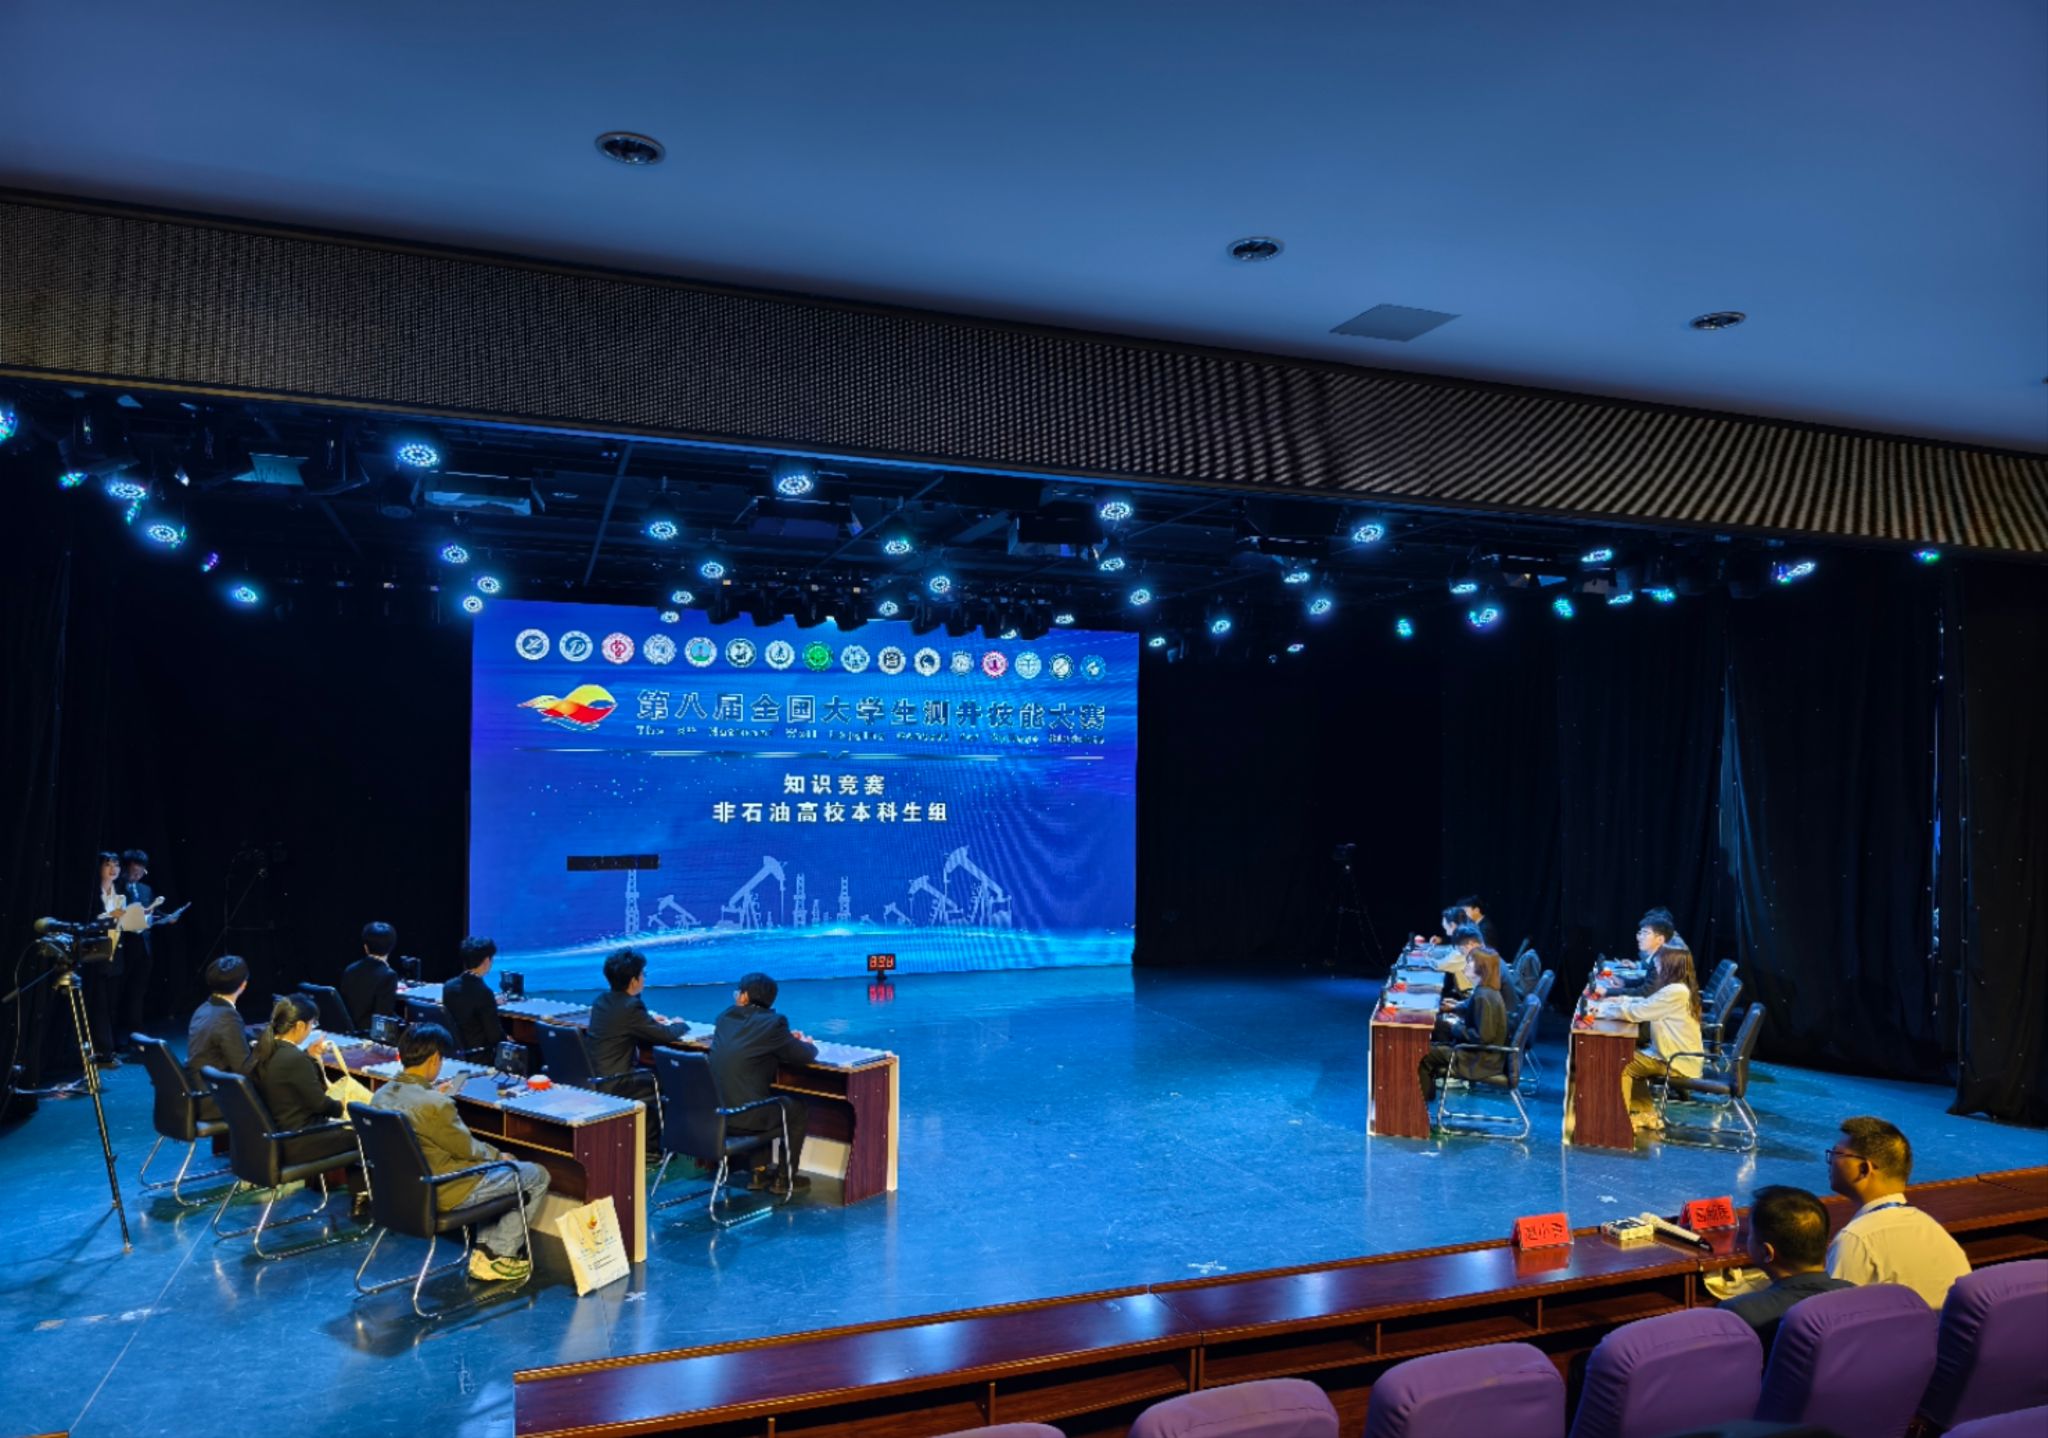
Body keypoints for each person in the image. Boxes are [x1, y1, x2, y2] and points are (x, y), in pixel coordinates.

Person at [370, 1023, 547, 1282]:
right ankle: (497, 1254)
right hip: (445, 1190)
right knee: (535, 1174)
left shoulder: (381, 1095)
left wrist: (432, 1094)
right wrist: (500, 1155)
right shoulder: (435, 1105)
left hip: (400, 1192)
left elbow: (417, 1110)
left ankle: (485, 1252)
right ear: (434, 1059)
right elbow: (468, 1149)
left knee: (498, 1170)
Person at [1824, 1116, 1971, 1307]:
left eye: (1836, 1154)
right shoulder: (1936, 1232)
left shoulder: (1856, 1240)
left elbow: (1835, 1316)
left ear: (1864, 1168)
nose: (1830, 1161)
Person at [709, 972, 819, 1191]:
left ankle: (758, 1173)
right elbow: (804, 1056)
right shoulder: (774, 1023)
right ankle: (785, 1178)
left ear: (744, 997)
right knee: (796, 1108)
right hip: (745, 1117)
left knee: (761, 1097)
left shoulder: (724, 1018)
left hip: (714, 1116)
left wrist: (786, 1039)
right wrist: (808, 1044)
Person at [1719, 1186, 1854, 1348]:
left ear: (1767, 1252)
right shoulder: (1853, 1294)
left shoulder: (1738, 1313)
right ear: (1824, 1244)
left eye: (1750, 1235)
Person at [1593, 943, 1704, 1133]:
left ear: (1670, 966)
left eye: (1659, 964)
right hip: (1673, 1055)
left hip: (1675, 1060)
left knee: (1619, 1063)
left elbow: (1638, 1012)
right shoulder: (1678, 987)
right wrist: (1621, 1000)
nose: (1656, 967)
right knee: (1628, 1058)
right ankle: (1644, 1114)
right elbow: (1648, 1003)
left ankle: (1618, 1121)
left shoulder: (1676, 991)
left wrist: (1601, 1010)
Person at [252, 994, 360, 1168]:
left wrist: (309, 1056)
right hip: (300, 1140)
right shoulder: (294, 1059)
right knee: (369, 1133)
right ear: (300, 1025)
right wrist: (343, 1106)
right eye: (312, 1024)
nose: (311, 1030)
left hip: (274, 1138)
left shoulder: (262, 1049)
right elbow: (321, 1105)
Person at [586, 948, 687, 1107]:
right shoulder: (630, 1006)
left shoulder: (602, 1000)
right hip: (617, 1082)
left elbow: (624, 1020)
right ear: (633, 981)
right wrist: (680, 1024)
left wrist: (647, 1020)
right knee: (674, 1077)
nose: (644, 978)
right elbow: (666, 1034)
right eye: (642, 974)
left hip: (596, 1078)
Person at [1418, 947, 1510, 1101]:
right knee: (1438, 1031)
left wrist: (1455, 1027)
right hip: (1482, 1055)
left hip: (1479, 1060)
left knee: (1421, 1055)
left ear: (1481, 969)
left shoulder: (1483, 996)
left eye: (1470, 963)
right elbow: (1471, 1009)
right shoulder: (1486, 991)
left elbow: (1483, 1037)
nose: (1466, 966)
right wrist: (1455, 1012)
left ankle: (1420, 1107)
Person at [187, 955, 259, 1120]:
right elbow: (244, 1069)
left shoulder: (204, 1008)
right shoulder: (228, 1016)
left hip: (200, 1090)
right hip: (215, 1101)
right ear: (243, 984)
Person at [82, 851, 128, 1067]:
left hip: (116, 954)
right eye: (108, 864)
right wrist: (108, 918)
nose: (113, 869)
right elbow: (89, 923)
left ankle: (110, 1047)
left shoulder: (120, 893)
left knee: (112, 1005)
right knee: (99, 1005)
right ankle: (103, 1052)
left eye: (116, 864)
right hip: (96, 955)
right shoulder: (92, 894)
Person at [442, 936, 505, 1058]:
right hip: (480, 1055)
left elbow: (467, 1003)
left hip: (455, 1053)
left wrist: (491, 1002)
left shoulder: (448, 986)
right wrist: (508, 1040)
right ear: (486, 960)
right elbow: (495, 1036)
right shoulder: (484, 993)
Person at [339, 921, 401, 1031]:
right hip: (370, 1033)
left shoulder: (350, 969)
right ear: (391, 947)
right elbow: (383, 1016)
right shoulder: (389, 975)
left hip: (347, 1028)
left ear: (366, 947)